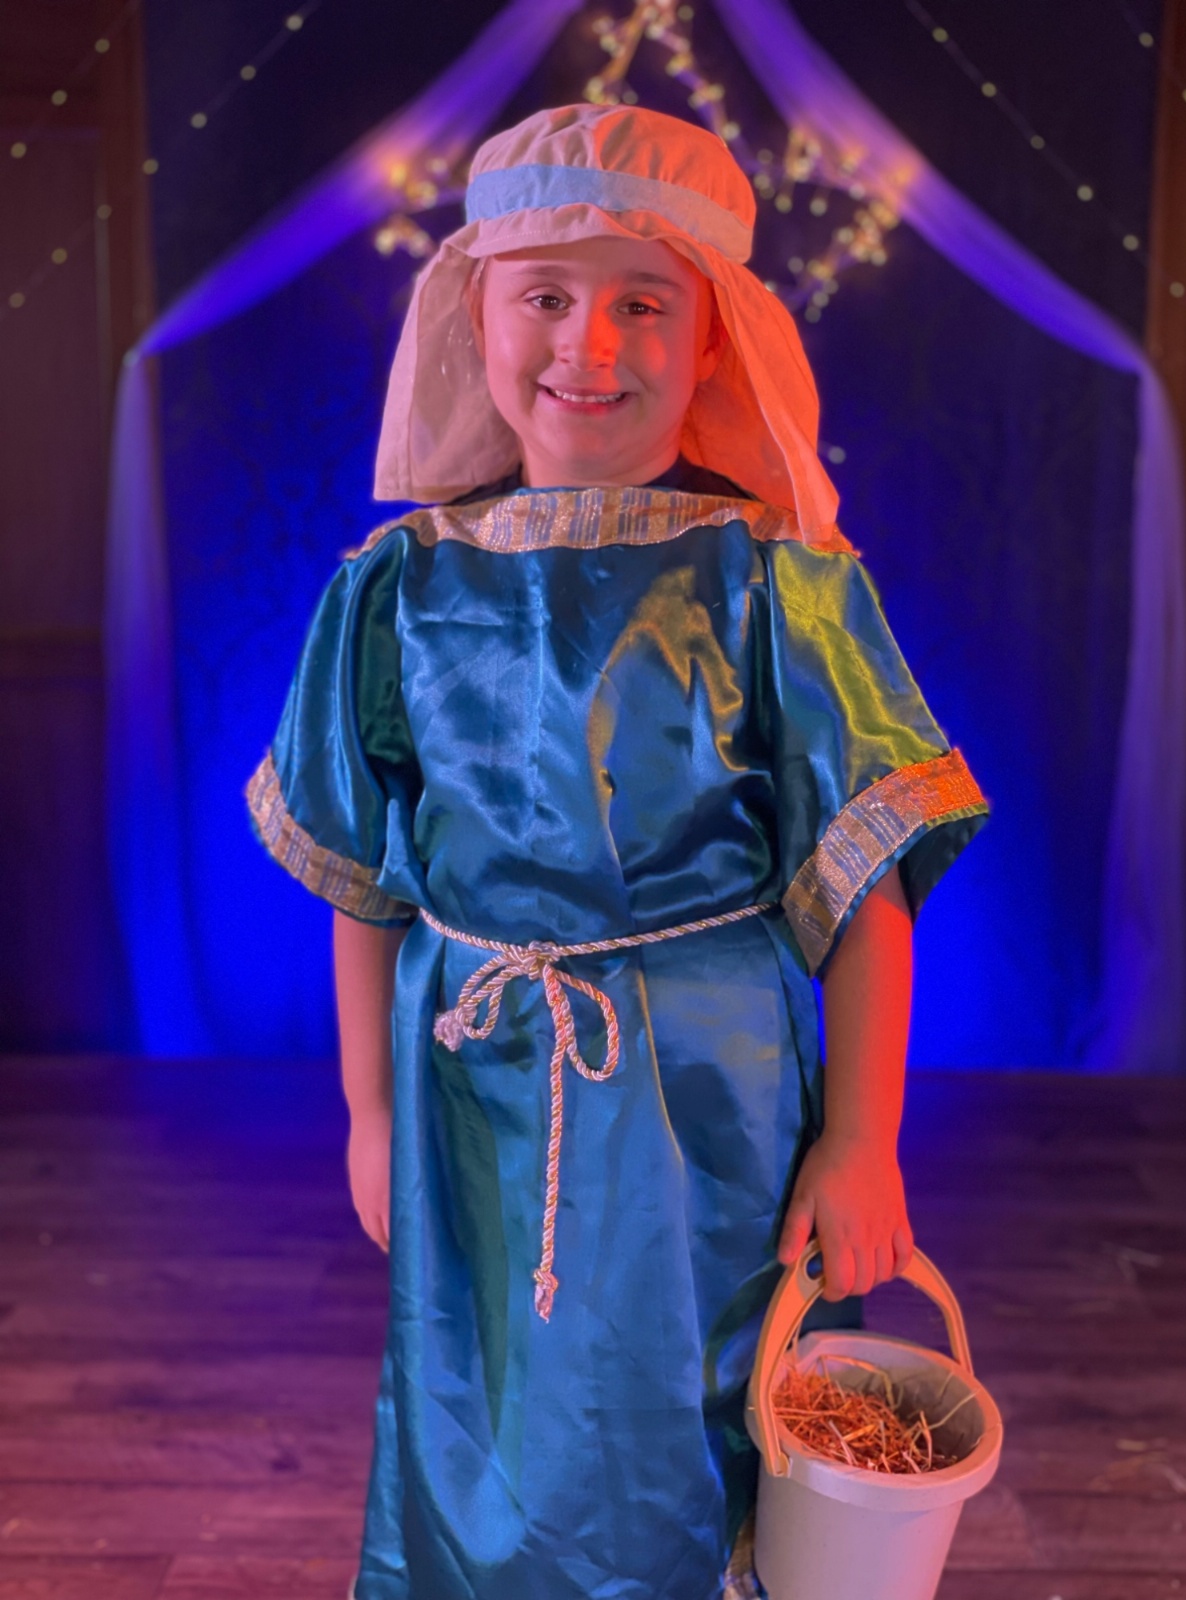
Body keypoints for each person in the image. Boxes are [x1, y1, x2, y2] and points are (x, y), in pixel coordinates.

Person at [246, 103, 988, 1600]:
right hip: (470, 1080)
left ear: (712, 341)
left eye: (643, 302)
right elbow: (366, 880)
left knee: (692, 1403)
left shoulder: (775, 580)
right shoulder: (397, 587)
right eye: (546, 295)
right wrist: (369, 1109)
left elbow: (863, 889)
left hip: (705, 1096)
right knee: (485, 1408)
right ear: (475, 316)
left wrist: (861, 1139)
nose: (588, 342)